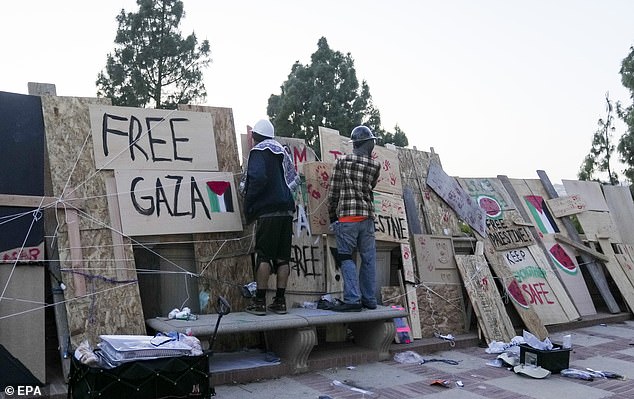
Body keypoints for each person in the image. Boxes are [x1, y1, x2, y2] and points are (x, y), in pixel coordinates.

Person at [242, 119, 300, 316]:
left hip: (268, 210)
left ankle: (259, 302)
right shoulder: (282, 152)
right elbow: (293, 180)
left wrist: (249, 205)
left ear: (255, 136)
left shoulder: (259, 151)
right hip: (286, 210)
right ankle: (280, 301)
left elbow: (258, 179)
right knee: (283, 257)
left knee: (264, 255)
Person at [327, 125, 381, 312]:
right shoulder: (375, 165)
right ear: (367, 144)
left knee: (345, 257)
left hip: (348, 218)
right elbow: (370, 188)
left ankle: (352, 298)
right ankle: (369, 299)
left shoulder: (342, 162)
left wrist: (332, 215)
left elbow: (333, 192)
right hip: (367, 218)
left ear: (355, 143)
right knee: (368, 258)